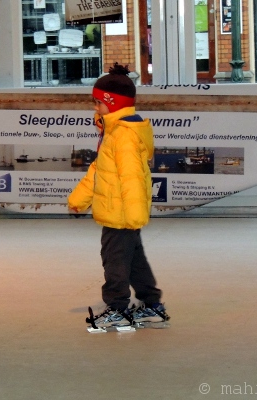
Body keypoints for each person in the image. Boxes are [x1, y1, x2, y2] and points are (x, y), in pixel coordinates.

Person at [68, 63, 169, 328]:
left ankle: (117, 308)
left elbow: (132, 177)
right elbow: (99, 170)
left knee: (114, 261)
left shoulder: (123, 136)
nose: (95, 108)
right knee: (135, 261)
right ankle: (152, 305)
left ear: (112, 103)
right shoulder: (113, 132)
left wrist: (134, 215)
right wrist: (79, 199)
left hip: (121, 214)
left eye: (98, 103)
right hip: (119, 211)